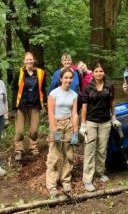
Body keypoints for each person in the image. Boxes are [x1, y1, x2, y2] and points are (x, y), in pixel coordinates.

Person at [79, 63, 120, 192]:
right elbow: (84, 106)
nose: (98, 73)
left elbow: (112, 102)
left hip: (105, 122)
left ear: (104, 72)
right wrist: (83, 124)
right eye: (96, 71)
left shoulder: (109, 86)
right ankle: (87, 179)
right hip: (91, 122)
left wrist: (114, 117)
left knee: (102, 149)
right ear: (93, 73)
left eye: (101, 71)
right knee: (90, 150)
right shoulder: (87, 88)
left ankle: (100, 172)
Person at [46, 68, 79, 198]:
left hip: (69, 124)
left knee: (68, 154)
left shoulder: (74, 95)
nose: (68, 80)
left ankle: (65, 181)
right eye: (66, 77)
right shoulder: (53, 94)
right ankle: (52, 185)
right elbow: (50, 113)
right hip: (57, 123)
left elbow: (74, 113)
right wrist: (55, 131)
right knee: (54, 155)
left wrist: (75, 132)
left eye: (70, 78)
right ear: (61, 79)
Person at [12, 52, 46, 161]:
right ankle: (18, 150)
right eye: (27, 60)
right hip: (21, 105)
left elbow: (43, 88)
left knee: (34, 130)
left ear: (34, 60)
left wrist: (44, 102)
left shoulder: (40, 73)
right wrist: (14, 105)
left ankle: (33, 148)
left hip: (35, 104)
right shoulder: (19, 73)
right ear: (24, 61)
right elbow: (14, 88)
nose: (29, 61)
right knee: (19, 131)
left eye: (31, 59)